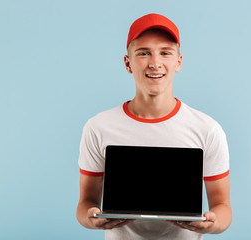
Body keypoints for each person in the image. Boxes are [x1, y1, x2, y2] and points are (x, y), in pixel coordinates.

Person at [76, 13, 232, 239]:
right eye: (144, 53)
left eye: (165, 53)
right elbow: (85, 204)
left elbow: (223, 207)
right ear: (128, 63)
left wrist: (213, 223)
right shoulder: (98, 127)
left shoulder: (207, 129)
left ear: (178, 62)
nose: (155, 63)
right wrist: (92, 218)